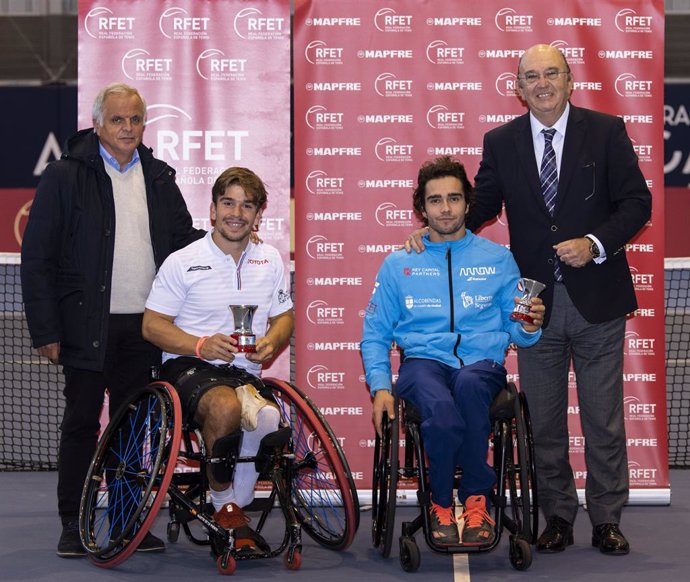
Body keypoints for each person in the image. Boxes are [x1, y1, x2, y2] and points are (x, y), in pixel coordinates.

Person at [407, 45, 652, 555]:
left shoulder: (606, 130)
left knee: (603, 417)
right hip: (529, 302)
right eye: (531, 76)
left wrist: (596, 244)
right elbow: (482, 207)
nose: (542, 83)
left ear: (569, 81)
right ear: (518, 88)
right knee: (542, 419)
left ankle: (607, 518)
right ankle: (558, 516)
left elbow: (637, 202)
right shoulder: (501, 141)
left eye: (551, 74)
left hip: (598, 297)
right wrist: (431, 233)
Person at [20, 82, 204, 558]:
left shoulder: (160, 176)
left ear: (145, 124)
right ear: (98, 123)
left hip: (145, 329)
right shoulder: (64, 175)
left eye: (136, 119)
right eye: (118, 119)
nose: (128, 128)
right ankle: (73, 522)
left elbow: (186, 242)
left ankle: (126, 521)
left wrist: (235, 236)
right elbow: (37, 257)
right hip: (84, 327)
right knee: (81, 425)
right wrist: (46, 330)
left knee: (134, 429)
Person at [362, 156, 544, 546]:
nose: (445, 209)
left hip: (481, 364)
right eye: (435, 200)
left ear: (467, 203)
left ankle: (477, 499)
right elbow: (375, 333)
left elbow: (519, 331)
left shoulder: (498, 259)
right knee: (441, 410)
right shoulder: (399, 263)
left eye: (454, 199)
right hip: (422, 365)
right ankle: (440, 502)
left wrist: (529, 325)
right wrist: (380, 386)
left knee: (469, 384)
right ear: (421, 208)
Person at [142, 166, 294, 551]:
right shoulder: (183, 260)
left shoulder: (271, 259)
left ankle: (232, 505)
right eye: (228, 202)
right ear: (212, 210)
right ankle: (224, 504)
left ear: (258, 214)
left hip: (243, 371)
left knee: (270, 417)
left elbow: (284, 317)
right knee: (225, 407)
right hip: (189, 366)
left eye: (247, 206)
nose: (236, 213)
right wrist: (199, 344)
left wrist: (272, 342)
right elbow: (152, 325)